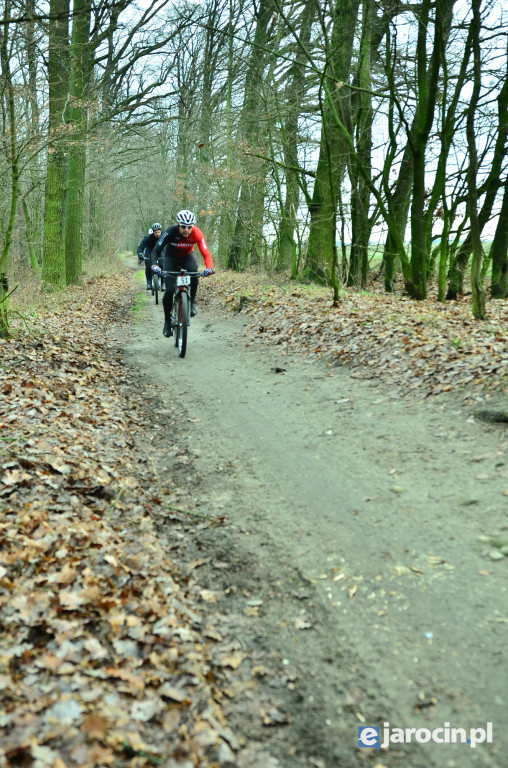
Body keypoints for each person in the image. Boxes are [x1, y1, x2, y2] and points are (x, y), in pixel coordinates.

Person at [152, 210, 214, 338]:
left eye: (189, 227)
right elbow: (156, 250)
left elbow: (206, 253)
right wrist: (154, 265)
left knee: (195, 275)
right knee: (169, 290)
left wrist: (209, 268)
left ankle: (191, 302)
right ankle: (167, 322)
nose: (186, 230)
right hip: (171, 258)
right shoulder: (169, 231)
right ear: (178, 225)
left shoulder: (197, 233)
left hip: (188, 257)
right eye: (183, 227)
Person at [137, 223, 162, 289]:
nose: (157, 234)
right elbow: (141, 247)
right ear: (153, 232)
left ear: (160, 231)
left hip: (160, 252)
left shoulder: (163, 237)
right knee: (148, 266)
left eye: (159, 232)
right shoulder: (148, 238)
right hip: (149, 252)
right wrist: (140, 254)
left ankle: (163, 282)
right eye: (156, 232)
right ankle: (149, 282)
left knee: (163, 265)